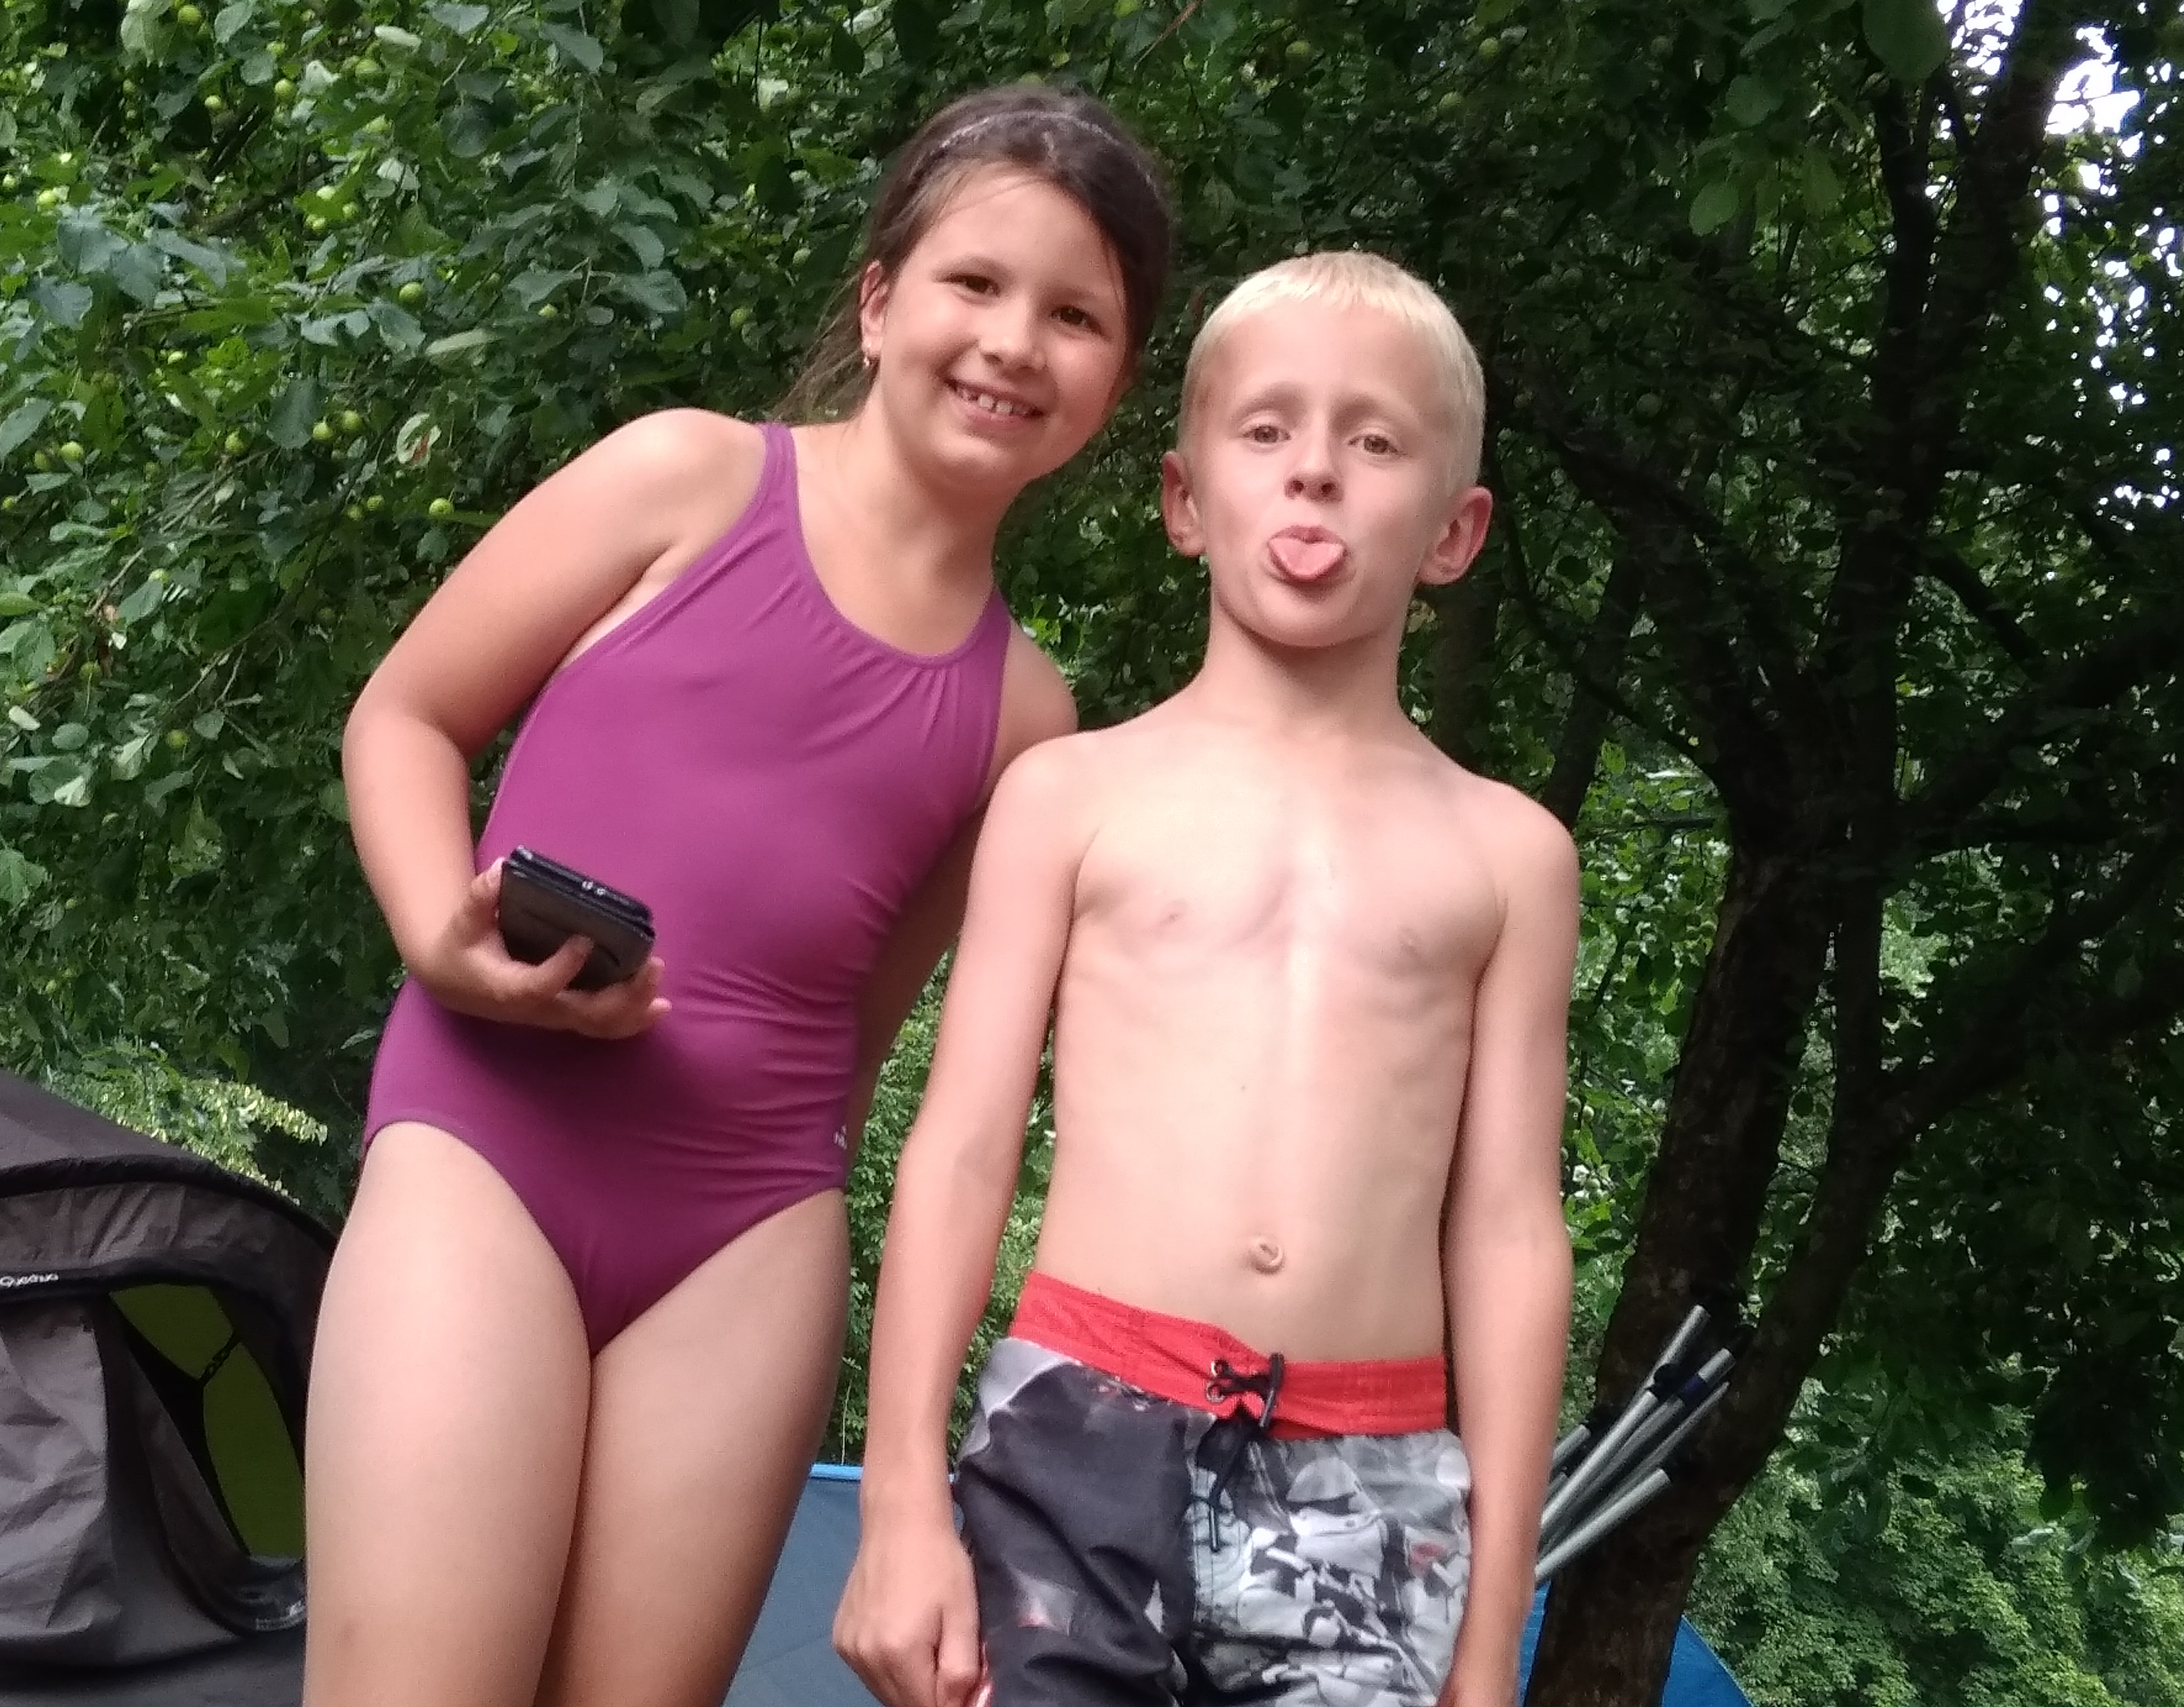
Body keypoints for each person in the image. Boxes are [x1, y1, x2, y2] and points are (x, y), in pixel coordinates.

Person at [304, 85, 1176, 1707]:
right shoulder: (684, 478)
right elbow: (403, 719)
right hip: (487, 1139)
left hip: (745, 1238)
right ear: (880, 301)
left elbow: (862, 1028)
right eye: (975, 283)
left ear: (1115, 386)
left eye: (1075, 317)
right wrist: (440, 935)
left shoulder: (1026, 719)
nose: (1012, 341)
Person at [834, 251, 1578, 1707]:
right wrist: (898, 1503)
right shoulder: (1068, 797)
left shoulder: (1509, 857)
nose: (1315, 471)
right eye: (1267, 430)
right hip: (1072, 1445)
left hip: (1370, 1496)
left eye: (1375, 441)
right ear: (1185, 501)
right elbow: (963, 1149)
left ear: (1454, 530)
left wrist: (1490, 1646)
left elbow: (1508, 1235)